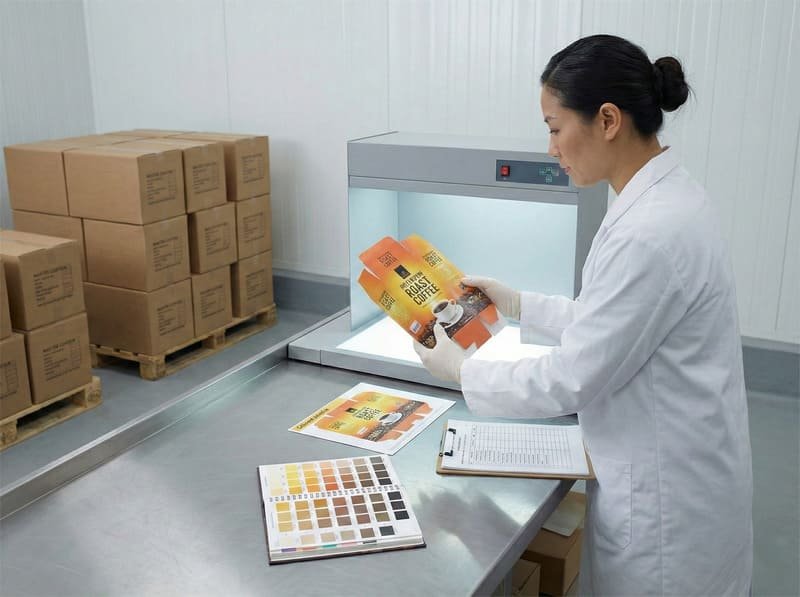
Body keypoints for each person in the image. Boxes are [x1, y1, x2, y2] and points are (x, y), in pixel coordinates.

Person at [414, 34, 753, 596]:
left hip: (669, 510)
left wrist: (462, 372)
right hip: (683, 469)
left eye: (554, 127)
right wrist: (519, 304)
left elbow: (575, 375)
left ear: (608, 120)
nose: (550, 148)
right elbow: (613, 319)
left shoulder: (650, 230)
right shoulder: (662, 199)